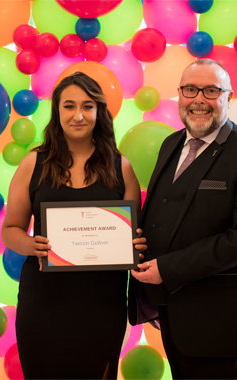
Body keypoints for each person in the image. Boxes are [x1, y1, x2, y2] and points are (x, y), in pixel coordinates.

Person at [1, 72, 146, 379]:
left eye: (87, 106)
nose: (78, 115)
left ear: (99, 112)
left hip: (102, 303)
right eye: (68, 106)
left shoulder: (122, 167)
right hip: (44, 302)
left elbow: (131, 234)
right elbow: (10, 229)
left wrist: (136, 245)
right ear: (57, 111)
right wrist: (31, 245)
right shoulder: (33, 163)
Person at [129, 59, 237, 379]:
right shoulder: (171, 143)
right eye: (190, 89)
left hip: (219, 325)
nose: (199, 99)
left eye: (211, 90)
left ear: (228, 97)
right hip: (171, 316)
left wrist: (167, 268)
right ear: (179, 95)